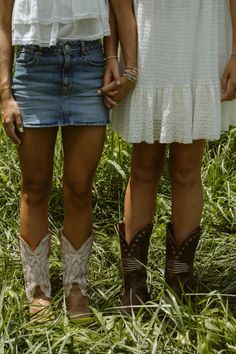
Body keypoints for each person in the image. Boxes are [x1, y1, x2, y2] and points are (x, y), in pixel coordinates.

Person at [101, 0, 236, 310]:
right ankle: (134, 289)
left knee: (187, 170)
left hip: (202, 36)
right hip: (147, 39)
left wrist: (235, 53)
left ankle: (178, 290)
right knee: (143, 167)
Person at [0, 0, 121, 319]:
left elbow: (112, 6)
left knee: (80, 187)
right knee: (35, 186)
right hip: (33, 66)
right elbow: (2, 21)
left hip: (88, 65)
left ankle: (76, 290)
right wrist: (5, 93)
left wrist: (111, 57)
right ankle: (38, 292)